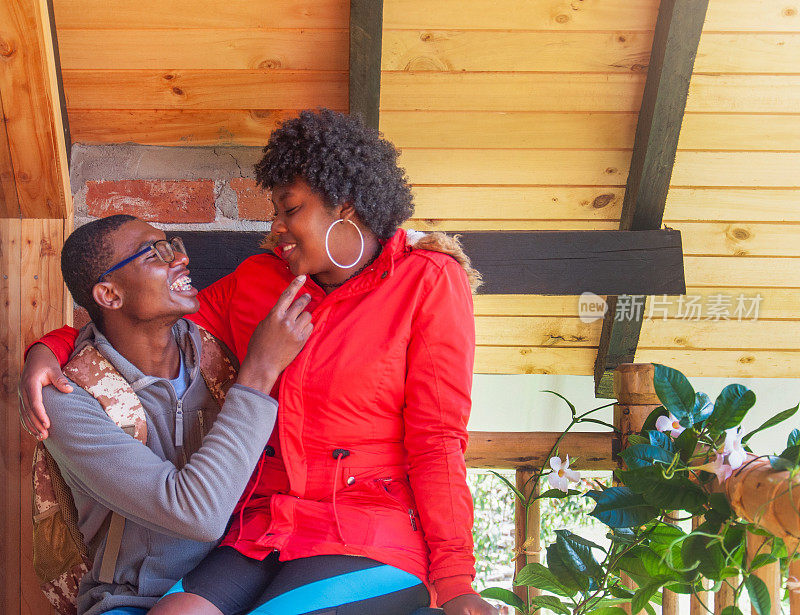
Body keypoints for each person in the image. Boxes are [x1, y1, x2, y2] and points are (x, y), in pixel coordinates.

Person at [22, 109, 497, 615]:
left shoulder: (427, 281)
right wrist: (49, 347)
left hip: (367, 525)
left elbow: (437, 441)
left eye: (289, 209)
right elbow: (146, 319)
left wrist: (455, 579)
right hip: (262, 526)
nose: (276, 226)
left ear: (348, 205)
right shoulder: (257, 282)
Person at [33, 214, 312, 615]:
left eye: (174, 245)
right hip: (133, 599)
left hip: (245, 574)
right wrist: (258, 373)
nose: (180, 259)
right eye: (155, 254)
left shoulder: (218, 352)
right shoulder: (70, 397)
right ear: (110, 295)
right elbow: (196, 515)